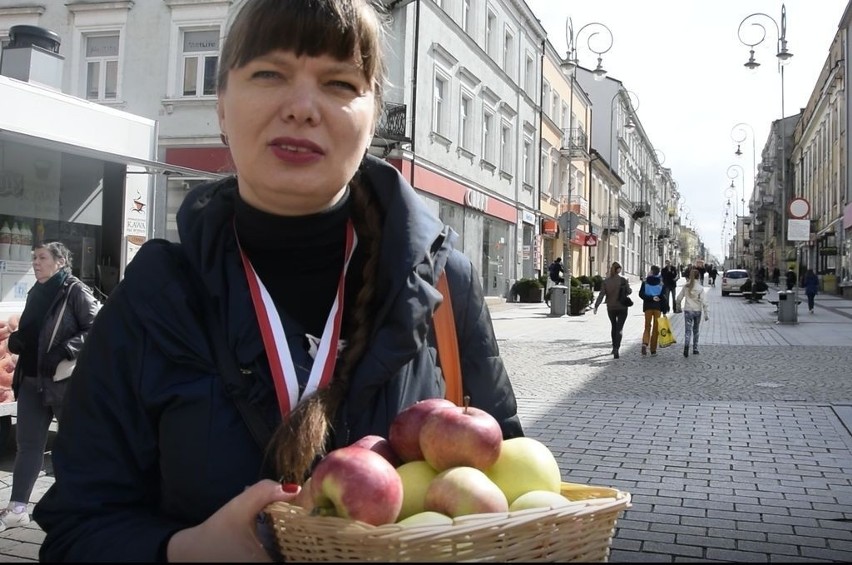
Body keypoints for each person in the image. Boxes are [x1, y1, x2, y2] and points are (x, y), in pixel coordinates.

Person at [33, 1, 524, 561]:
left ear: (372, 116)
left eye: (340, 82)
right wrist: (183, 550)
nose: (302, 108)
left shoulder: (442, 286)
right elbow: (75, 531)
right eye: (269, 74)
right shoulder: (155, 298)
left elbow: (513, 492)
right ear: (221, 105)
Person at [0, 241, 99, 532]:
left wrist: (65, 350)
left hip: (62, 382)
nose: (35, 262)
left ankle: (86, 506)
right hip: (30, 379)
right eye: (33, 257)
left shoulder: (74, 290)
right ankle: (18, 508)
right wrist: (18, 341)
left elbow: (96, 326)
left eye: (41, 257)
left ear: (59, 261)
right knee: (28, 445)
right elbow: (32, 330)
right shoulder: (36, 291)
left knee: (75, 446)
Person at [593, 261, 632, 359]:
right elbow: (629, 291)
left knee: (613, 326)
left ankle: (614, 347)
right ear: (618, 269)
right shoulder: (623, 279)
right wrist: (627, 287)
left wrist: (596, 306)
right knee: (619, 328)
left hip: (611, 307)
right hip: (622, 307)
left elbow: (601, 294)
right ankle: (616, 348)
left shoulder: (606, 281)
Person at [675, 268, 709, 357]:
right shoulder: (700, 288)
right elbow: (704, 301)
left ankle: (686, 347)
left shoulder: (686, 286)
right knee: (696, 330)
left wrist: (678, 307)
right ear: (699, 277)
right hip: (697, 311)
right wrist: (706, 314)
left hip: (688, 310)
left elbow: (678, 298)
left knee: (687, 330)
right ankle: (695, 348)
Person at [638, 265, 668, 357]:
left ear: (651, 272)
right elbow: (663, 296)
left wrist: (650, 297)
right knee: (655, 329)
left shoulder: (645, 282)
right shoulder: (661, 283)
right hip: (657, 308)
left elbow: (641, 294)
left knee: (647, 326)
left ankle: (645, 343)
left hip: (647, 307)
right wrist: (664, 310)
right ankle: (653, 350)